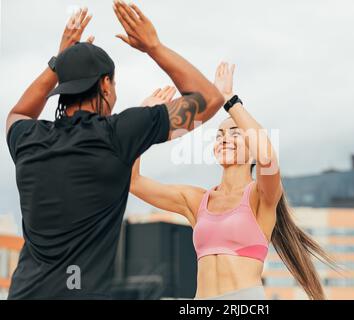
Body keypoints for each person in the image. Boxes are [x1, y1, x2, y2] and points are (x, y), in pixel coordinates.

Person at [5, 2, 224, 299]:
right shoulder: (120, 133)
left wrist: (59, 62)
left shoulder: (28, 139)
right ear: (105, 85)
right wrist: (154, 46)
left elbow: (17, 115)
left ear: (62, 88)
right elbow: (209, 99)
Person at [131, 63, 336, 300]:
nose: (225, 139)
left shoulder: (262, 197)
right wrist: (143, 119)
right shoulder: (198, 201)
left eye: (235, 133)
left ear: (252, 151)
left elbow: (267, 156)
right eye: (220, 136)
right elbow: (134, 181)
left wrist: (229, 100)